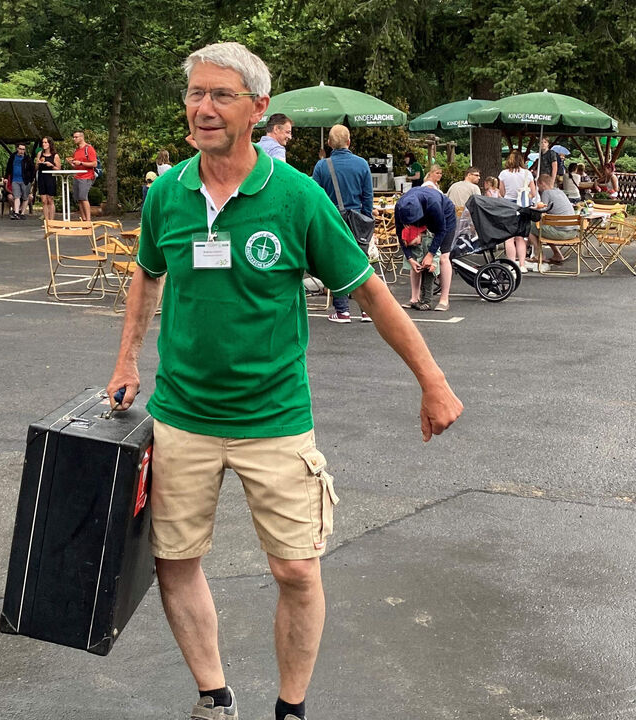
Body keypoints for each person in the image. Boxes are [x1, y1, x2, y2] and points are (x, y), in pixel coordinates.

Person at [105, 41, 463, 720]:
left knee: (297, 570)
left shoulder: (297, 197)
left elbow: (371, 293)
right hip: (182, 416)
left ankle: (291, 709)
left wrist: (433, 380)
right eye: (195, 94)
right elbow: (147, 276)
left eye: (221, 95)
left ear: (258, 109)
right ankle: (214, 696)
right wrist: (126, 361)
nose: (204, 108)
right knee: (174, 562)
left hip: (274, 420)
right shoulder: (166, 193)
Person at [311, 124, 374, 324]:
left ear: (329, 143)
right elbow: (368, 197)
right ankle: (366, 310)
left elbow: (315, 196)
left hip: (332, 220)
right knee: (361, 263)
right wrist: (366, 220)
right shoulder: (362, 164)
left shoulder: (322, 166)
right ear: (349, 141)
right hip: (357, 219)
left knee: (336, 264)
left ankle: (342, 311)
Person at [394, 185, 457, 312]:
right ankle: (414, 298)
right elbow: (400, 233)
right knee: (416, 257)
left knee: (443, 256)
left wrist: (430, 254)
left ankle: (444, 299)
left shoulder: (433, 203)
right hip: (424, 217)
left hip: (445, 216)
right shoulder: (400, 207)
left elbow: (441, 230)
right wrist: (410, 258)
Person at [498, 151, 537, 273]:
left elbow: (502, 192)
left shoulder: (503, 174)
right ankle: (522, 264)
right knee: (520, 237)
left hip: (508, 205)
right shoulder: (527, 174)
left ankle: (511, 265)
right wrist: (525, 196)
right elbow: (533, 193)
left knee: (509, 238)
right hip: (523, 207)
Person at [530, 173, 576, 266]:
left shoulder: (546, 193)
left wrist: (533, 208)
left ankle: (539, 254)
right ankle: (557, 254)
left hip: (560, 233)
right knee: (545, 228)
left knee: (529, 226)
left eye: (538, 185)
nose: (538, 188)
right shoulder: (560, 192)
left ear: (542, 183)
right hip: (573, 232)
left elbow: (542, 211)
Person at [66, 130, 97, 221]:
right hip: (77, 176)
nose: (74, 139)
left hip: (86, 176)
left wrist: (81, 163)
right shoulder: (76, 150)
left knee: (83, 197)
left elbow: (94, 163)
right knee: (79, 199)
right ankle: (83, 219)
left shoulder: (89, 148)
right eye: (73, 137)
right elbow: (76, 166)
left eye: (76, 137)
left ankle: (88, 220)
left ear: (82, 137)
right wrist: (71, 163)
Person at [5, 143, 36, 220]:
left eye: (23, 149)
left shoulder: (28, 158)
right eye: (20, 149)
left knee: (25, 197)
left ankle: (22, 213)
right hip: (15, 180)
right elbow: (8, 168)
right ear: (17, 149)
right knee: (16, 196)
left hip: (25, 180)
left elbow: (33, 170)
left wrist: (31, 179)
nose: (22, 151)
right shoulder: (12, 157)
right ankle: (16, 213)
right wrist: (6, 177)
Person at [36, 137, 61, 221]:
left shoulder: (55, 155)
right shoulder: (40, 153)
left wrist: (51, 165)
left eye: (46, 142)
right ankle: (46, 221)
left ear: (50, 144)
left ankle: (51, 220)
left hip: (50, 177)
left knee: (50, 199)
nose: (44, 144)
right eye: (43, 142)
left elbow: (59, 169)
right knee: (43, 200)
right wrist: (37, 163)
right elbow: (36, 168)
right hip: (41, 177)